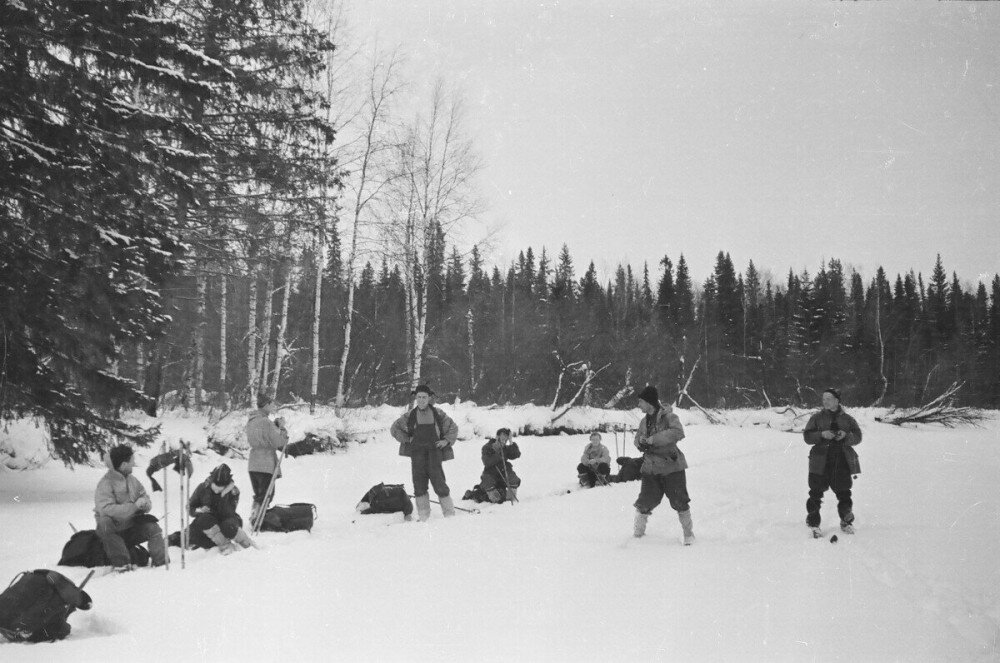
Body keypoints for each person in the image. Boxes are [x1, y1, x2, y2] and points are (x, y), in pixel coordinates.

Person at [632, 385, 695, 545]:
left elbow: (678, 432)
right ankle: (637, 535)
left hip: (671, 467)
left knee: (679, 501)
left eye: (640, 401)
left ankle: (689, 535)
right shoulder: (643, 421)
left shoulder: (669, 417)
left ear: (649, 402)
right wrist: (640, 442)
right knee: (644, 502)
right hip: (650, 468)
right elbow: (637, 438)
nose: (638, 405)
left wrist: (654, 439)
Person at [389, 385, 459, 521]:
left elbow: (453, 427)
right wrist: (407, 438)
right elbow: (394, 428)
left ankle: (449, 514)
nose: (421, 400)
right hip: (417, 453)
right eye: (419, 397)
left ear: (429, 398)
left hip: (434, 452)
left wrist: (446, 441)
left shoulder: (438, 413)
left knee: (439, 482)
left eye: (424, 397)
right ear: (416, 398)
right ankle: (423, 516)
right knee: (419, 484)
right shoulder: (410, 415)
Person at [94, 445, 168, 571]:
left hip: (131, 528)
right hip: (113, 532)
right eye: (131, 461)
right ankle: (122, 566)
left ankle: (161, 564)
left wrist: (145, 504)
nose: (133, 464)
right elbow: (106, 510)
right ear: (123, 465)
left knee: (153, 527)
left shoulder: (133, 480)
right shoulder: (105, 483)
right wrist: (134, 507)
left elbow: (145, 496)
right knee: (104, 522)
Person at [802, 388, 863, 536]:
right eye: (824, 398)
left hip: (841, 462)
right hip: (819, 462)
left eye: (829, 398)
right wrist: (821, 434)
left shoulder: (848, 419)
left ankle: (846, 521)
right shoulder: (816, 418)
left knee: (844, 493)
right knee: (815, 494)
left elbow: (858, 436)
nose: (825, 401)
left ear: (837, 400)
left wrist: (846, 436)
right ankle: (814, 524)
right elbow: (807, 437)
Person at [187, 464, 257, 554]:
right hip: (206, 524)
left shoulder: (233, 491)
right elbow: (190, 508)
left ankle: (247, 544)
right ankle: (224, 546)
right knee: (195, 533)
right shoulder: (202, 488)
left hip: (226, 521)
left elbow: (228, 513)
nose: (216, 492)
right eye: (214, 488)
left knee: (228, 527)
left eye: (219, 490)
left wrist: (223, 496)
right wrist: (200, 510)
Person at [246, 393, 289, 525]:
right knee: (266, 495)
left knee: (259, 494)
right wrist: (281, 428)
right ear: (265, 405)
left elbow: (264, 436)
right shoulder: (265, 421)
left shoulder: (252, 420)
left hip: (253, 463)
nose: (273, 406)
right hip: (266, 463)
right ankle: (258, 520)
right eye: (271, 404)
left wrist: (274, 426)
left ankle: (256, 516)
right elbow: (279, 442)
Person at [479, 428, 521, 503]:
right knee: (488, 483)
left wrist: (511, 442)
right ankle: (495, 500)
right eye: (503, 435)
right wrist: (498, 454)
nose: (505, 438)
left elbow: (516, 454)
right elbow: (487, 462)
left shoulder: (506, 448)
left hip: (504, 471)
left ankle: (509, 499)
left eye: (507, 436)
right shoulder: (487, 447)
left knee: (514, 479)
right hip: (490, 473)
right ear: (497, 436)